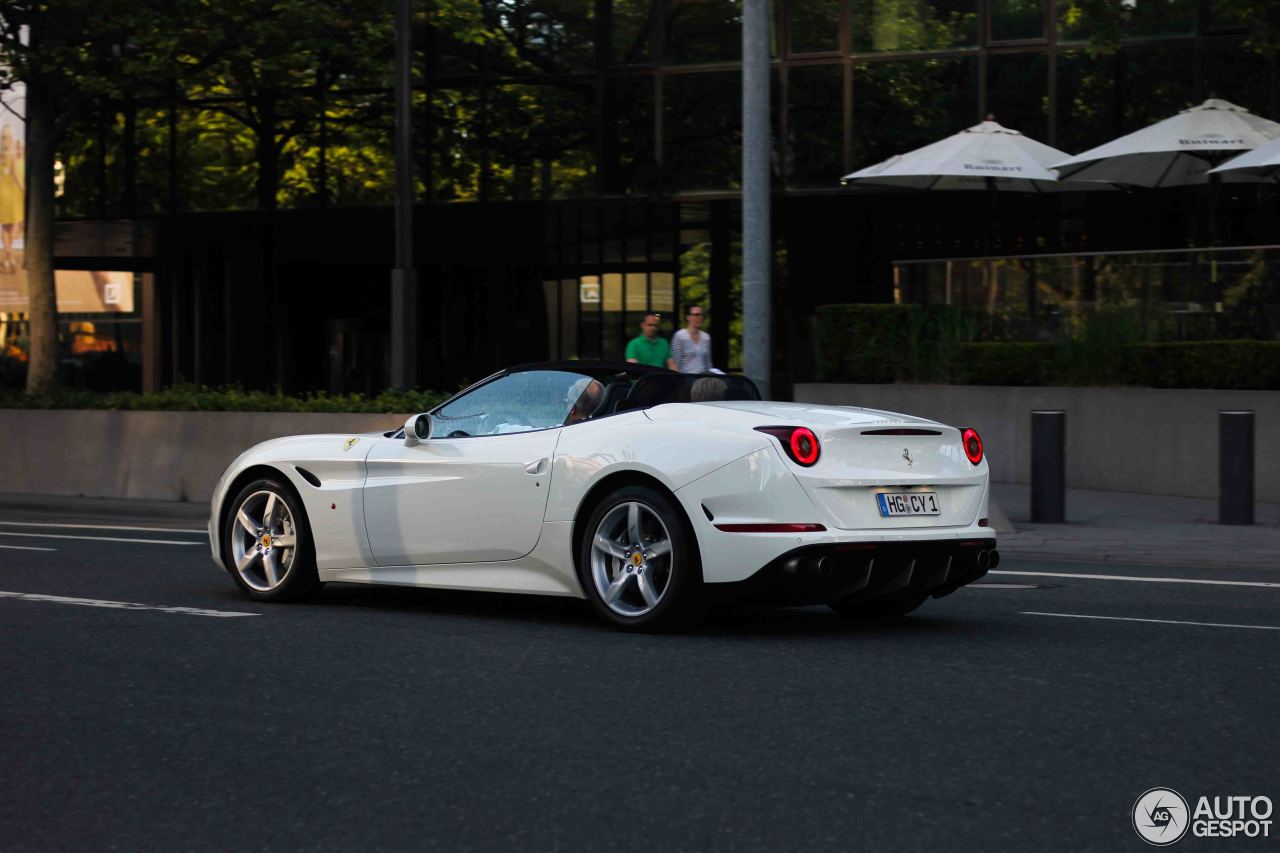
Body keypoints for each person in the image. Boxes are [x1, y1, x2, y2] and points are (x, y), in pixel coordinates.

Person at [671, 304, 713, 373]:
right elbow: (676, 362)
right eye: (696, 315)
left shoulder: (706, 337)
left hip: (702, 379)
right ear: (688, 317)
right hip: (686, 378)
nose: (700, 317)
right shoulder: (680, 336)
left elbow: (708, 363)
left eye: (701, 315)